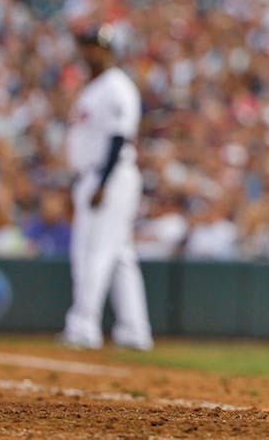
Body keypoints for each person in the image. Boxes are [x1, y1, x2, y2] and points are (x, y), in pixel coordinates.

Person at [59, 24, 153, 351]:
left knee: (93, 252)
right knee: (119, 254)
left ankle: (84, 326)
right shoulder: (95, 87)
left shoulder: (116, 86)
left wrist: (102, 182)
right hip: (95, 176)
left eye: (93, 46)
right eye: (84, 45)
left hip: (109, 176)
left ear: (108, 49)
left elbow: (118, 137)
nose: (87, 52)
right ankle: (134, 330)